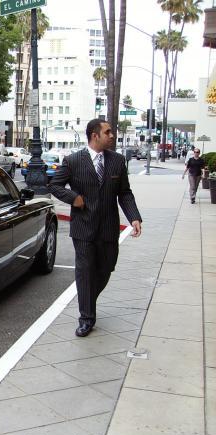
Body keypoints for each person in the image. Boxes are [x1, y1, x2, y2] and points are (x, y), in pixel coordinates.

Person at [48, 119, 143, 337]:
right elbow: (53, 185)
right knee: (85, 272)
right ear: (94, 135)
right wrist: (74, 199)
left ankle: (88, 298)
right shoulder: (73, 161)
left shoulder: (117, 161)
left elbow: (125, 193)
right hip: (83, 228)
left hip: (109, 228)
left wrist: (134, 217)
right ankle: (86, 317)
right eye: (108, 132)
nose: (112, 135)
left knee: (105, 269)